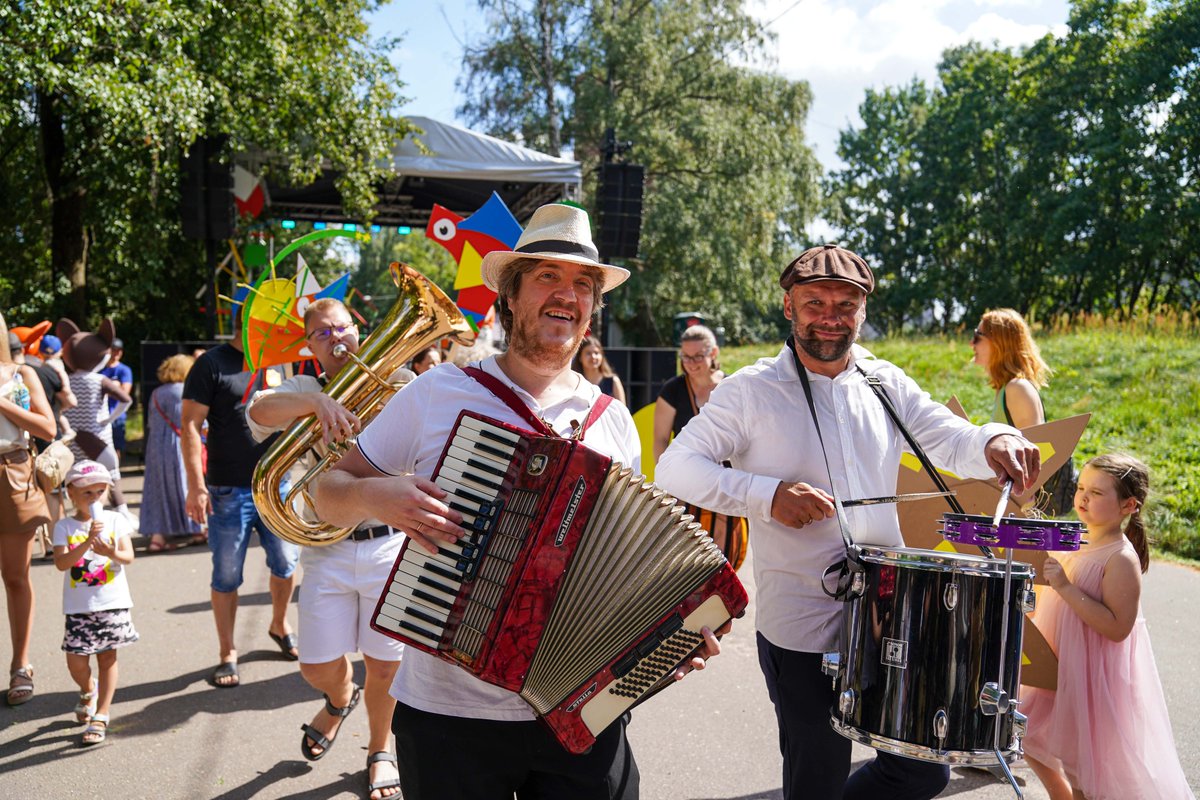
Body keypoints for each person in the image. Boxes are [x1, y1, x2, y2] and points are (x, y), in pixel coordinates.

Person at [312, 203, 724, 800]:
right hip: (449, 715)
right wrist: (379, 496)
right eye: (548, 276)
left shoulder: (613, 424)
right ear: (509, 295)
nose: (568, 293)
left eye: (583, 283)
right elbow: (327, 494)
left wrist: (666, 642)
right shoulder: (438, 393)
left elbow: (623, 568)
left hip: (578, 715)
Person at [654, 243, 1041, 800]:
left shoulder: (884, 381)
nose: (830, 316)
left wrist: (994, 437)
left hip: (892, 614)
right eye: (815, 302)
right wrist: (766, 495)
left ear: (863, 312)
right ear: (788, 307)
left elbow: (946, 436)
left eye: (846, 304)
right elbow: (674, 468)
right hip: (802, 624)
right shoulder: (750, 390)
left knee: (921, 769)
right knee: (816, 777)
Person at [246, 298, 403, 800]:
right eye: (321, 333)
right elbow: (258, 410)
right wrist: (317, 404)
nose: (335, 337)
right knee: (314, 664)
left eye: (342, 327)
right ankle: (339, 698)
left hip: (387, 542)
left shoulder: (395, 381)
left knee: (386, 664)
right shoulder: (303, 387)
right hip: (328, 546)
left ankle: (379, 751)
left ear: (359, 330)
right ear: (309, 345)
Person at [1021, 454, 1195, 800]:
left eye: (1097, 493)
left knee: (1084, 766)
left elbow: (1118, 627)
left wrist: (1066, 588)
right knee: (1025, 731)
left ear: (1128, 505)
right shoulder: (1076, 539)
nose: (1083, 497)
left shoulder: (1121, 558)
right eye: (1081, 488)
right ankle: (1061, 794)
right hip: (1057, 663)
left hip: (1092, 675)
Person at [182, 310, 300, 688]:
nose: (275, 329)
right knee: (227, 574)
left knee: (285, 563)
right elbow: (189, 425)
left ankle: (280, 623)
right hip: (227, 489)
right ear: (247, 324)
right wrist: (195, 485)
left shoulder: (278, 361)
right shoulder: (211, 364)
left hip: (277, 486)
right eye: (268, 323)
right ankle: (227, 652)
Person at [51, 459, 137, 746]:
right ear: (71, 493)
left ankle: (101, 713)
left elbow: (128, 557)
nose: (94, 498)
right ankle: (88, 690)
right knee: (76, 662)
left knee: (108, 657)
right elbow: (62, 564)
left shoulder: (115, 520)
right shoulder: (64, 526)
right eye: (87, 492)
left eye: (99, 492)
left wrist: (110, 550)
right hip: (79, 608)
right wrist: (87, 542)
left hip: (112, 603)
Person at [0, 315, 55, 707]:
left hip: (11, 474)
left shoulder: (20, 374)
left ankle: (21, 664)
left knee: (15, 575)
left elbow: (47, 428)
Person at [140, 354, 202, 552]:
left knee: (158, 489)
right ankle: (195, 528)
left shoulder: (157, 392)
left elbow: (151, 421)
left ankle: (157, 536)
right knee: (184, 484)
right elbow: (188, 422)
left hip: (156, 446)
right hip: (177, 444)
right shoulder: (183, 391)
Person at [652, 324, 723, 462]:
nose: (691, 363)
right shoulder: (672, 390)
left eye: (698, 356)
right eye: (685, 357)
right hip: (689, 471)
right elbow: (661, 440)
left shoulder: (729, 385)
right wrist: (666, 475)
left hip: (727, 472)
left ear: (713, 353)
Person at [970, 308, 1050, 430]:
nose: (971, 343)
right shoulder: (1006, 388)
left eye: (977, 337)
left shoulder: (1017, 388)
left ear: (999, 343)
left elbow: (1036, 446)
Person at [101, 337, 134, 460]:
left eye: (119, 350)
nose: (117, 353)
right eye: (114, 350)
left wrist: (106, 388)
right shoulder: (100, 369)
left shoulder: (124, 370)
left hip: (117, 416)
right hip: (100, 417)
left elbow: (124, 393)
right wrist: (114, 386)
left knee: (116, 449)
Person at [572, 335, 626, 405]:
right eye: (588, 353)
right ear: (580, 358)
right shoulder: (574, 382)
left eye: (596, 353)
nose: (593, 357)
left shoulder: (613, 381)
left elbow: (622, 412)